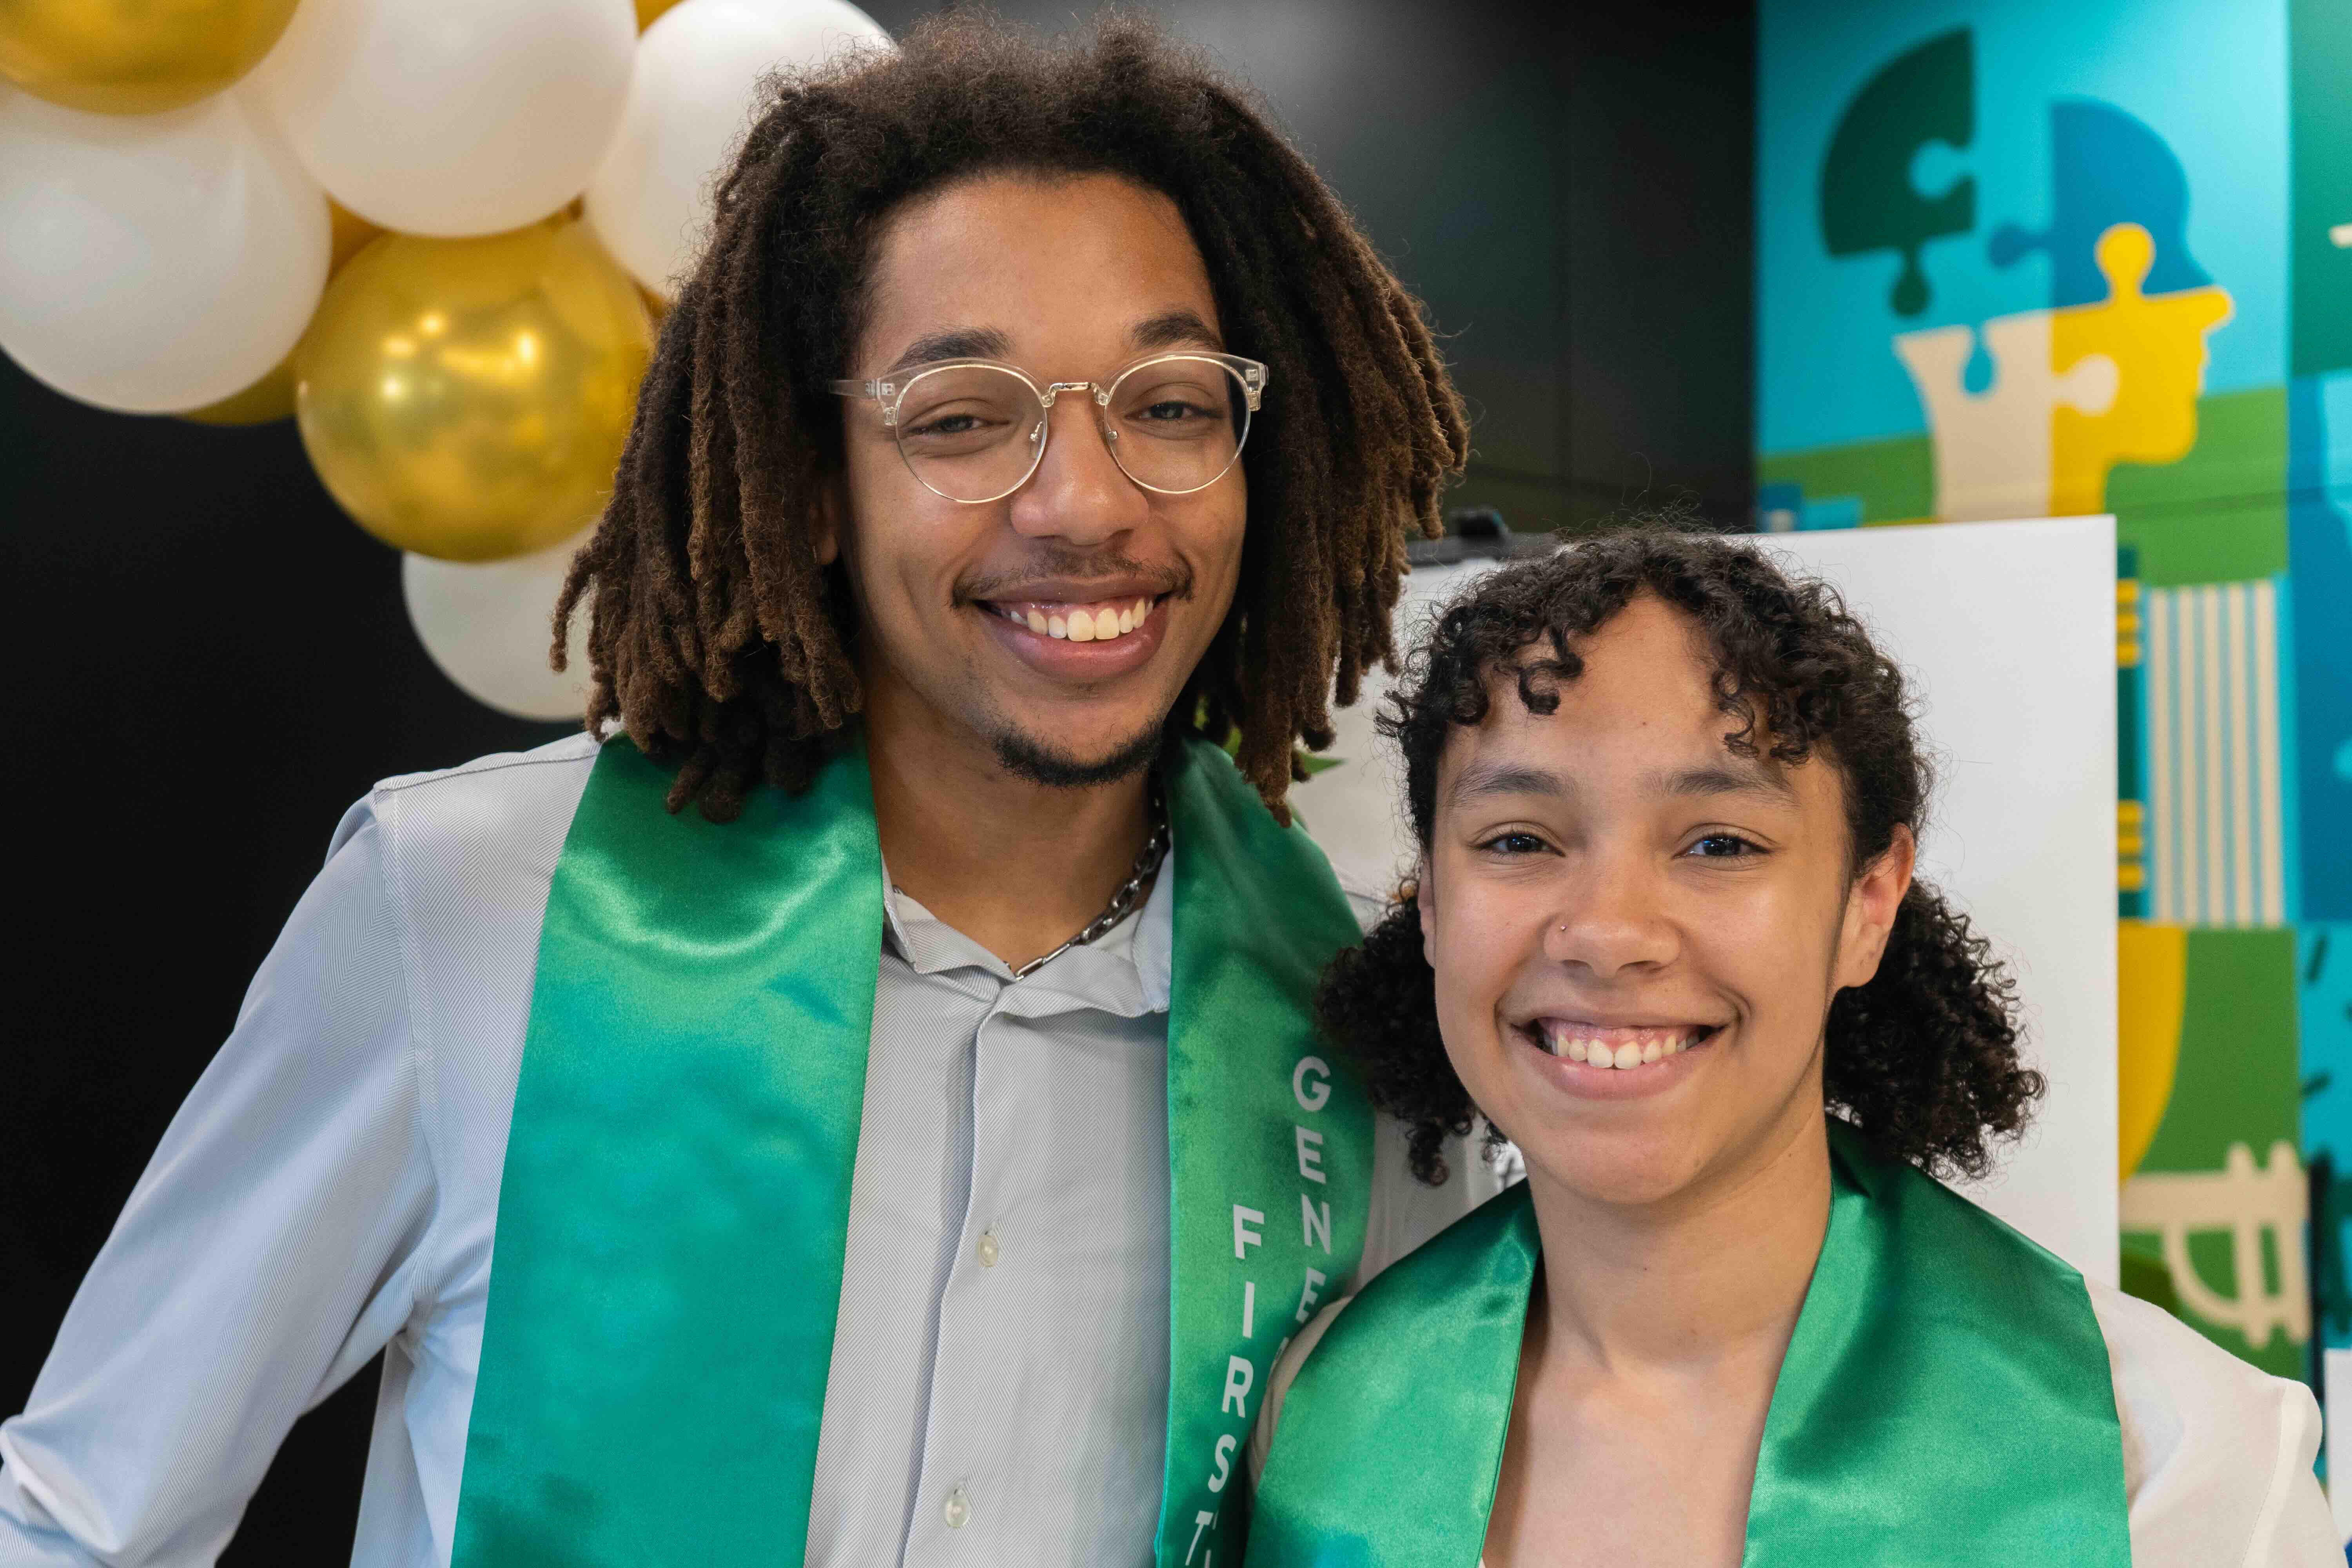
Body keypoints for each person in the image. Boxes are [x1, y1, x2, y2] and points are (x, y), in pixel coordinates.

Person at [0, 16, 1501, 1567]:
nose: (1087, 503)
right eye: (963, 417)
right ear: (816, 486)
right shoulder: (470, 911)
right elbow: (77, 1522)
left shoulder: (1358, 1040)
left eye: (1172, 404)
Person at [1245, 530, 2336, 1567]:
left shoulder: (2170, 1458)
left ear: (1868, 903)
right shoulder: (1321, 1412)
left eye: (1720, 844)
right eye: (1519, 840)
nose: (1609, 933)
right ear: (1430, 900)